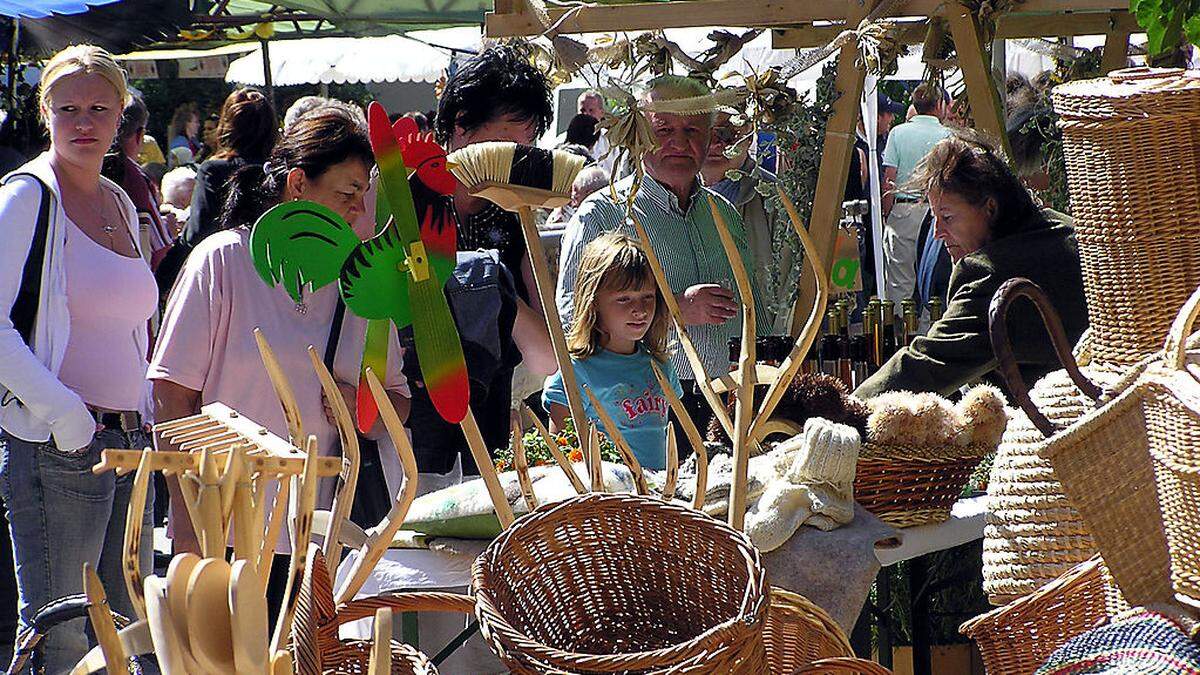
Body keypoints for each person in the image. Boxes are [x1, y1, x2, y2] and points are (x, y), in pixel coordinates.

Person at [149, 108, 411, 601]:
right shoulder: (223, 260)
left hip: (321, 542)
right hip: (224, 531)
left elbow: (398, 403)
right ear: (297, 184)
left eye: (363, 195)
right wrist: (187, 515)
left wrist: (365, 408)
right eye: (346, 193)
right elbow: (170, 394)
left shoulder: (362, 287)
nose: (359, 209)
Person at [0, 45, 155, 672]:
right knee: (60, 636)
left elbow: (129, 323)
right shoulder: (27, 196)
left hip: (126, 443)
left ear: (121, 115)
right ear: (47, 114)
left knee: (130, 631)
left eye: (98, 108)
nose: (83, 123)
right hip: (57, 446)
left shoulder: (119, 199)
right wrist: (66, 416)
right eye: (68, 109)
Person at [558, 75, 765, 441]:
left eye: (692, 130)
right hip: (643, 410)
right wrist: (670, 312)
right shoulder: (605, 215)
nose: (679, 143)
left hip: (731, 401)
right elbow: (571, 319)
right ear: (640, 134)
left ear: (709, 138)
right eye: (664, 129)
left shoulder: (725, 214)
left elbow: (753, 308)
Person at [855, 130, 1088, 399]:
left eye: (948, 217)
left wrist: (844, 412)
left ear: (990, 208)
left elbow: (924, 366)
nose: (937, 233)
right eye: (935, 218)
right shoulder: (1069, 230)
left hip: (1055, 428)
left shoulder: (991, 273)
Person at [544, 233, 683, 470]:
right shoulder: (574, 371)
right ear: (594, 301)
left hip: (658, 494)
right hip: (608, 498)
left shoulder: (660, 365)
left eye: (647, 297)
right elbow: (562, 453)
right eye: (624, 299)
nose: (639, 309)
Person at [435, 44, 554, 310]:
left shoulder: (514, 212)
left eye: (527, 146)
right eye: (506, 141)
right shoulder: (407, 199)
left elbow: (544, 318)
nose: (517, 158)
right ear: (462, 123)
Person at [701, 111, 791, 333]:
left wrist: (776, 353)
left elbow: (792, 291)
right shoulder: (676, 198)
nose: (715, 145)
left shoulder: (776, 199)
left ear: (749, 134)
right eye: (704, 134)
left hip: (760, 353)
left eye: (727, 134)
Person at [880, 83, 952, 313]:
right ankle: (927, 331)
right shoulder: (948, 135)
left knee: (900, 279)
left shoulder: (897, 133)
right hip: (935, 212)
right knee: (933, 276)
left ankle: (901, 333)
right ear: (939, 105)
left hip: (904, 208)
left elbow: (889, 178)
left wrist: (887, 212)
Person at [182, 87, 278, 249]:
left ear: (227, 126)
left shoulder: (213, 170)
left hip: (225, 262)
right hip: (273, 264)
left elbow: (197, 233)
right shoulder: (280, 171)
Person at [101, 94, 174, 270]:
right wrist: (168, 228)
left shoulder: (77, 170)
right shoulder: (135, 179)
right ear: (140, 134)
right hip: (128, 281)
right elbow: (160, 251)